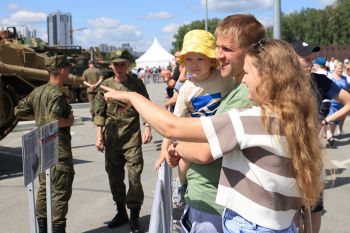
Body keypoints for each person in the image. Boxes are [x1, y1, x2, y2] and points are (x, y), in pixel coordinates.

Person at [100, 39, 324, 233]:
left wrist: (132, 97)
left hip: (250, 226)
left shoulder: (254, 120)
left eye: (248, 73)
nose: (244, 80)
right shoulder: (295, 116)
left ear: (267, 77)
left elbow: (172, 127)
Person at [154, 29, 234, 208]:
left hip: (221, 132)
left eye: (200, 58)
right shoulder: (186, 90)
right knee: (184, 164)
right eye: (188, 59)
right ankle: (181, 185)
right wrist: (163, 152)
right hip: (196, 136)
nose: (194, 64)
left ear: (212, 60)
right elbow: (172, 124)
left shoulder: (224, 78)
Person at [292, 40, 350, 233]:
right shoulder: (281, 84)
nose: (311, 63)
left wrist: (326, 121)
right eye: (305, 59)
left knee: (313, 208)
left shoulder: (320, 81)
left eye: (311, 59)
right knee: (291, 210)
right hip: (285, 155)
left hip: (312, 155)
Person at [14, 55, 75, 233]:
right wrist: (69, 121)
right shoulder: (57, 93)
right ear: (62, 70)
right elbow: (53, 120)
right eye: (68, 69)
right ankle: (57, 229)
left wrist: (37, 116)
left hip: (41, 149)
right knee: (59, 194)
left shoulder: (38, 91)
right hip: (58, 150)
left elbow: (18, 111)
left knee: (44, 191)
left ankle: (42, 229)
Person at [93, 50, 152, 233]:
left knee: (134, 178)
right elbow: (99, 112)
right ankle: (121, 213)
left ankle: (134, 217)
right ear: (111, 66)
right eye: (115, 64)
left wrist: (147, 126)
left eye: (122, 64)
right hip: (112, 140)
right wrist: (99, 136)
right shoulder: (105, 85)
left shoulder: (136, 84)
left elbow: (146, 106)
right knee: (115, 179)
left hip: (132, 139)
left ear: (128, 65)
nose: (119, 68)